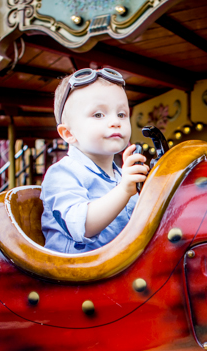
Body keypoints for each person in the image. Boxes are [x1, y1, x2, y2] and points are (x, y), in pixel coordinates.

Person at [40, 68, 149, 253]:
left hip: (119, 267)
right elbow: (82, 226)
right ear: (68, 133)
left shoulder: (122, 175)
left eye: (121, 114)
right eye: (98, 115)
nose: (115, 121)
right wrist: (124, 190)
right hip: (76, 274)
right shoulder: (62, 174)